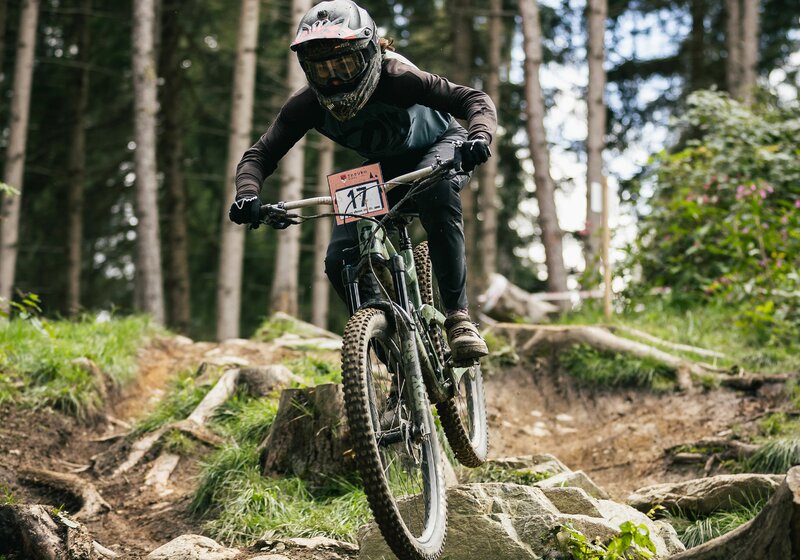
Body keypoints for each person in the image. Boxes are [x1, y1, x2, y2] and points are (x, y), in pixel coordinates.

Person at [229, 0, 497, 362]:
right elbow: (259, 155)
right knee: (339, 260)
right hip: (382, 166)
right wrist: (248, 195)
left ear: (369, 52)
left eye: (344, 64)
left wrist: (478, 137)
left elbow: (473, 99)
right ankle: (393, 361)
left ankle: (459, 318)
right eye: (323, 70)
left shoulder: (399, 78)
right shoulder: (306, 105)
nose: (335, 78)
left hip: (440, 145)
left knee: (435, 190)